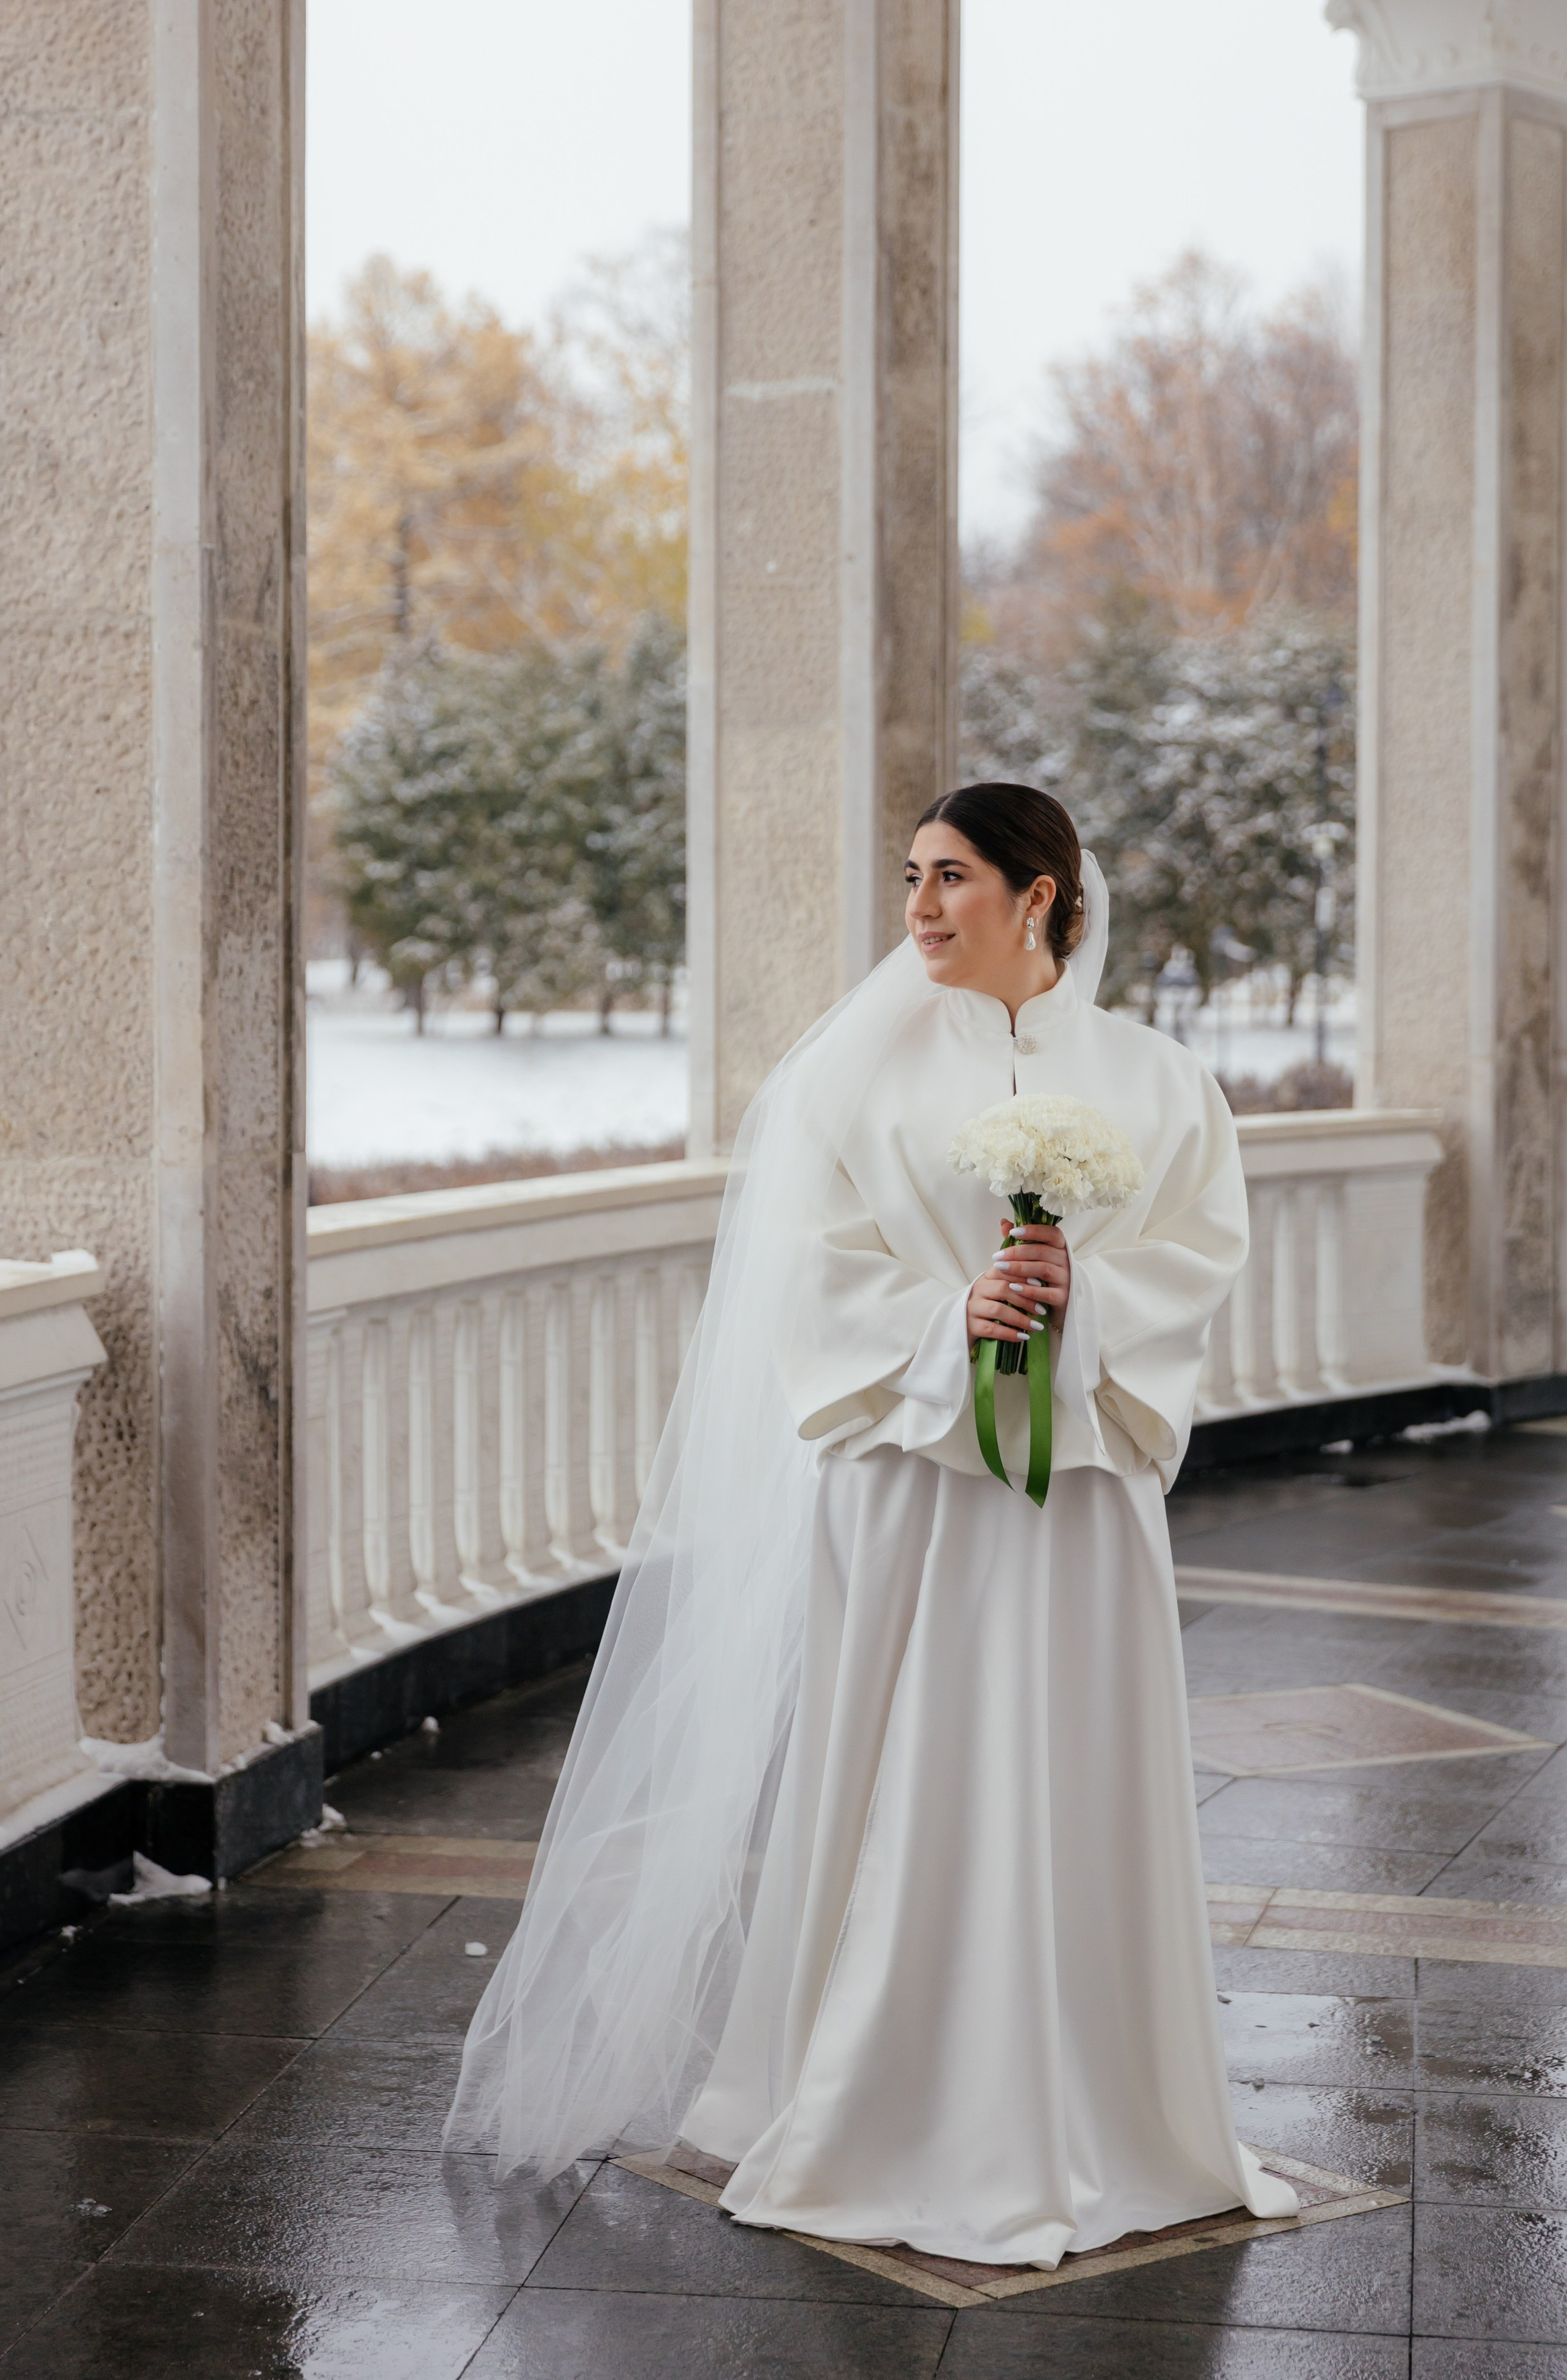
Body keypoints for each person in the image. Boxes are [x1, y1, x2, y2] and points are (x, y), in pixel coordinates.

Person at [445, 782, 1297, 2267]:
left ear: (1039, 896)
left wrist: (1078, 1304)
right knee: (907, 1765)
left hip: (1078, 1505)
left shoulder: (1161, 1083)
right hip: (911, 1492)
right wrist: (944, 1318)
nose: (915, 906)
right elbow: (804, 1276)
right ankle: (866, 2092)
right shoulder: (850, 1080)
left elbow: (1198, 1254)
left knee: (1070, 1772)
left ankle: (1099, 2101)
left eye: (950, 876)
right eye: (909, 875)